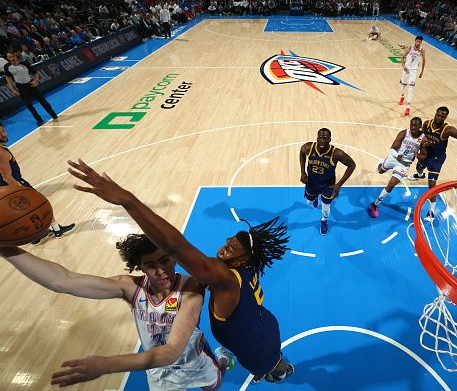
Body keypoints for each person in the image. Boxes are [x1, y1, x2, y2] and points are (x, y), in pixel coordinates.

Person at [66, 159, 295, 384]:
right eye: (229, 239)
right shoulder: (248, 264)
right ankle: (257, 362)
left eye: (233, 247)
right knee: (241, 361)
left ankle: (281, 371)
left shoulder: (223, 276)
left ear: (244, 257)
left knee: (270, 366)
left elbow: (175, 247)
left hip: (256, 345)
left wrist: (128, 201)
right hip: (261, 323)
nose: (226, 245)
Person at [0, 234, 233, 390]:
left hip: (193, 360)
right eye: (151, 265)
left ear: (173, 259)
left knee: (215, 382)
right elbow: (63, 280)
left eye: (165, 262)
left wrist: (105, 365)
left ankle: (223, 360)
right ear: (140, 267)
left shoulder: (191, 288)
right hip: (156, 368)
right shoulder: (130, 287)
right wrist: (6, 248)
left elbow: (171, 351)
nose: (161, 271)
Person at [0, 122, 75, 243]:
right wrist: (21, 191)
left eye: (3, 130)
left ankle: (34, 238)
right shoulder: (1, 152)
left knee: (21, 213)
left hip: (5, 189)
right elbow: (7, 177)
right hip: (14, 184)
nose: (3, 134)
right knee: (39, 203)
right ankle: (57, 229)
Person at [408, 107, 457, 221]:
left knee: (431, 184)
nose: (440, 118)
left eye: (443, 117)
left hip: (437, 158)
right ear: (435, 114)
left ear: (446, 117)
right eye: (438, 115)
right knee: (418, 168)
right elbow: (423, 136)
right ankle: (420, 175)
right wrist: (422, 146)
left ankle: (431, 212)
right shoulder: (426, 124)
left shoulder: (448, 130)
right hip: (426, 154)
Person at [299, 128, 356, 235]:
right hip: (311, 182)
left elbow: (352, 165)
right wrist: (302, 172)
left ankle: (324, 221)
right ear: (317, 138)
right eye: (320, 138)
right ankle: (315, 197)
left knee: (325, 208)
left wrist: (339, 184)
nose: (322, 140)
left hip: (327, 185)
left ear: (330, 139)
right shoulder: (308, 147)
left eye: (325, 138)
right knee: (309, 202)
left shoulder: (337, 153)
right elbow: (301, 153)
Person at [368, 117, 427, 218]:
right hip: (393, 158)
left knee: (391, 184)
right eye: (412, 124)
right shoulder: (404, 133)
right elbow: (392, 149)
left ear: (420, 126)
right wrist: (397, 156)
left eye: (416, 125)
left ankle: (374, 204)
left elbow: (424, 155)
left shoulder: (423, 138)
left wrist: (418, 156)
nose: (413, 127)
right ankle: (381, 163)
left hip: (404, 164)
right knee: (381, 171)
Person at [3, 51, 59, 126]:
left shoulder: (24, 63)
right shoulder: (7, 67)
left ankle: (53, 115)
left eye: (13, 56)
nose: (12, 58)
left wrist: (35, 81)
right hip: (21, 87)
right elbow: (8, 78)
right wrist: (13, 90)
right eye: (10, 57)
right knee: (29, 106)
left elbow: (36, 74)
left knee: (43, 101)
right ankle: (39, 120)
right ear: (7, 58)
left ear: (16, 56)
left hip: (30, 85)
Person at [399, 36, 426, 116]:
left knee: (411, 88)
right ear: (415, 41)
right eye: (417, 41)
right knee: (402, 87)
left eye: (419, 42)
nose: (418, 43)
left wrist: (422, 72)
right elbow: (403, 57)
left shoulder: (422, 50)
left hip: (414, 71)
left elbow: (424, 60)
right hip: (406, 69)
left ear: (421, 42)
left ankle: (408, 107)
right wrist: (403, 66)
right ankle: (402, 96)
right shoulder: (410, 47)